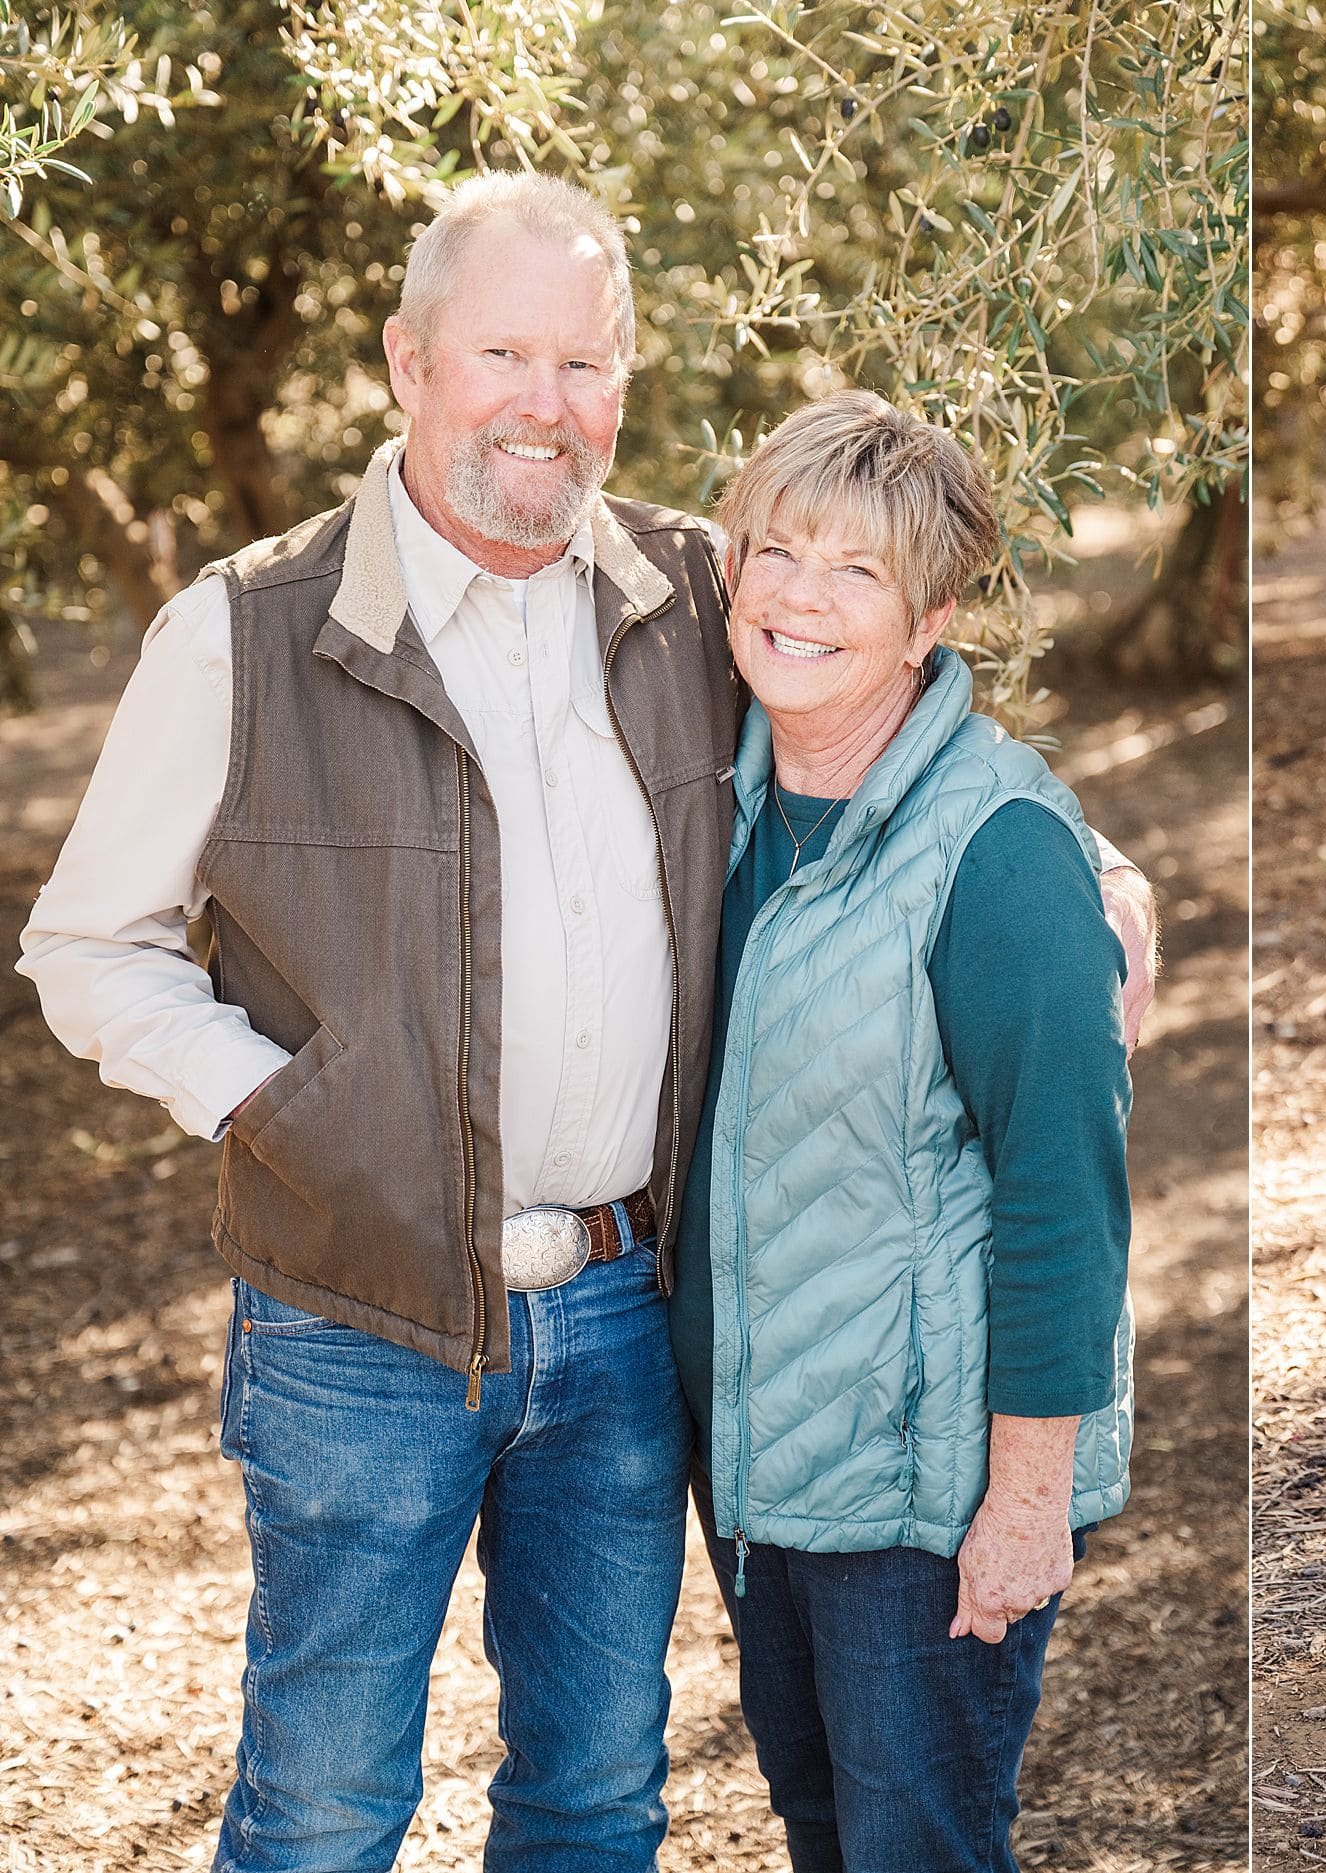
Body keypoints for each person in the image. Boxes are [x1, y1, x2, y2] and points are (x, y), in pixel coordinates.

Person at [16, 174, 1152, 1870]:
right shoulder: (244, 632)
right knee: (323, 1808)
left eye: (585, 362)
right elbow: (84, 947)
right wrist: (282, 1104)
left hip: (624, 1315)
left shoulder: (690, 599)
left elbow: (892, 737)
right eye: (502, 354)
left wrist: (1107, 876)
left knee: (597, 1795)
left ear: (624, 383)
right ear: (408, 361)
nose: (543, 404)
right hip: (357, 1317)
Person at [670, 390, 1133, 1873]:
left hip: (925, 1502)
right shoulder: (721, 806)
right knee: (822, 1834)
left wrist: (1029, 1502)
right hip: (765, 1472)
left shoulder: (997, 851)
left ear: (931, 618)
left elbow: (1065, 1201)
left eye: (858, 570)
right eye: (778, 552)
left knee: (916, 1850)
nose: (802, 597)